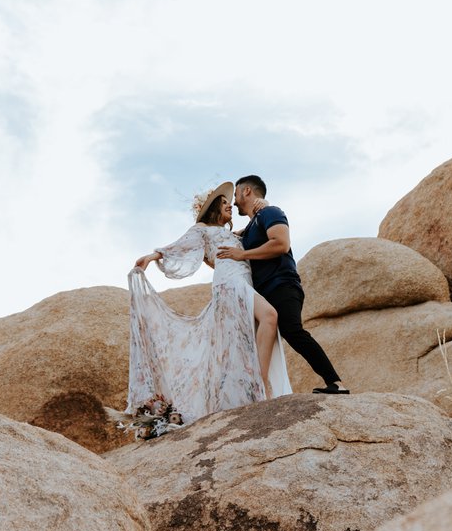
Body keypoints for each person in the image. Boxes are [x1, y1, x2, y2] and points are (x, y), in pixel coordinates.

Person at [128, 182, 291, 424]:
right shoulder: (202, 229)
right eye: (224, 203)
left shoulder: (232, 235)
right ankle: (260, 384)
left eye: (230, 202)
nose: (230, 206)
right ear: (213, 207)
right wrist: (152, 256)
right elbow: (181, 245)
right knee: (269, 316)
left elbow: (254, 229)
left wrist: (264, 205)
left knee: (242, 340)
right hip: (229, 283)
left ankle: (253, 387)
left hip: (242, 282)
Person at [217, 175, 349, 394]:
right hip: (264, 292)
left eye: (236, 194)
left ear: (247, 191)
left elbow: (281, 243)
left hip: (281, 284)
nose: (234, 201)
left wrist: (243, 255)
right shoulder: (250, 227)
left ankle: (336, 383)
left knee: (293, 331)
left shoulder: (270, 212)